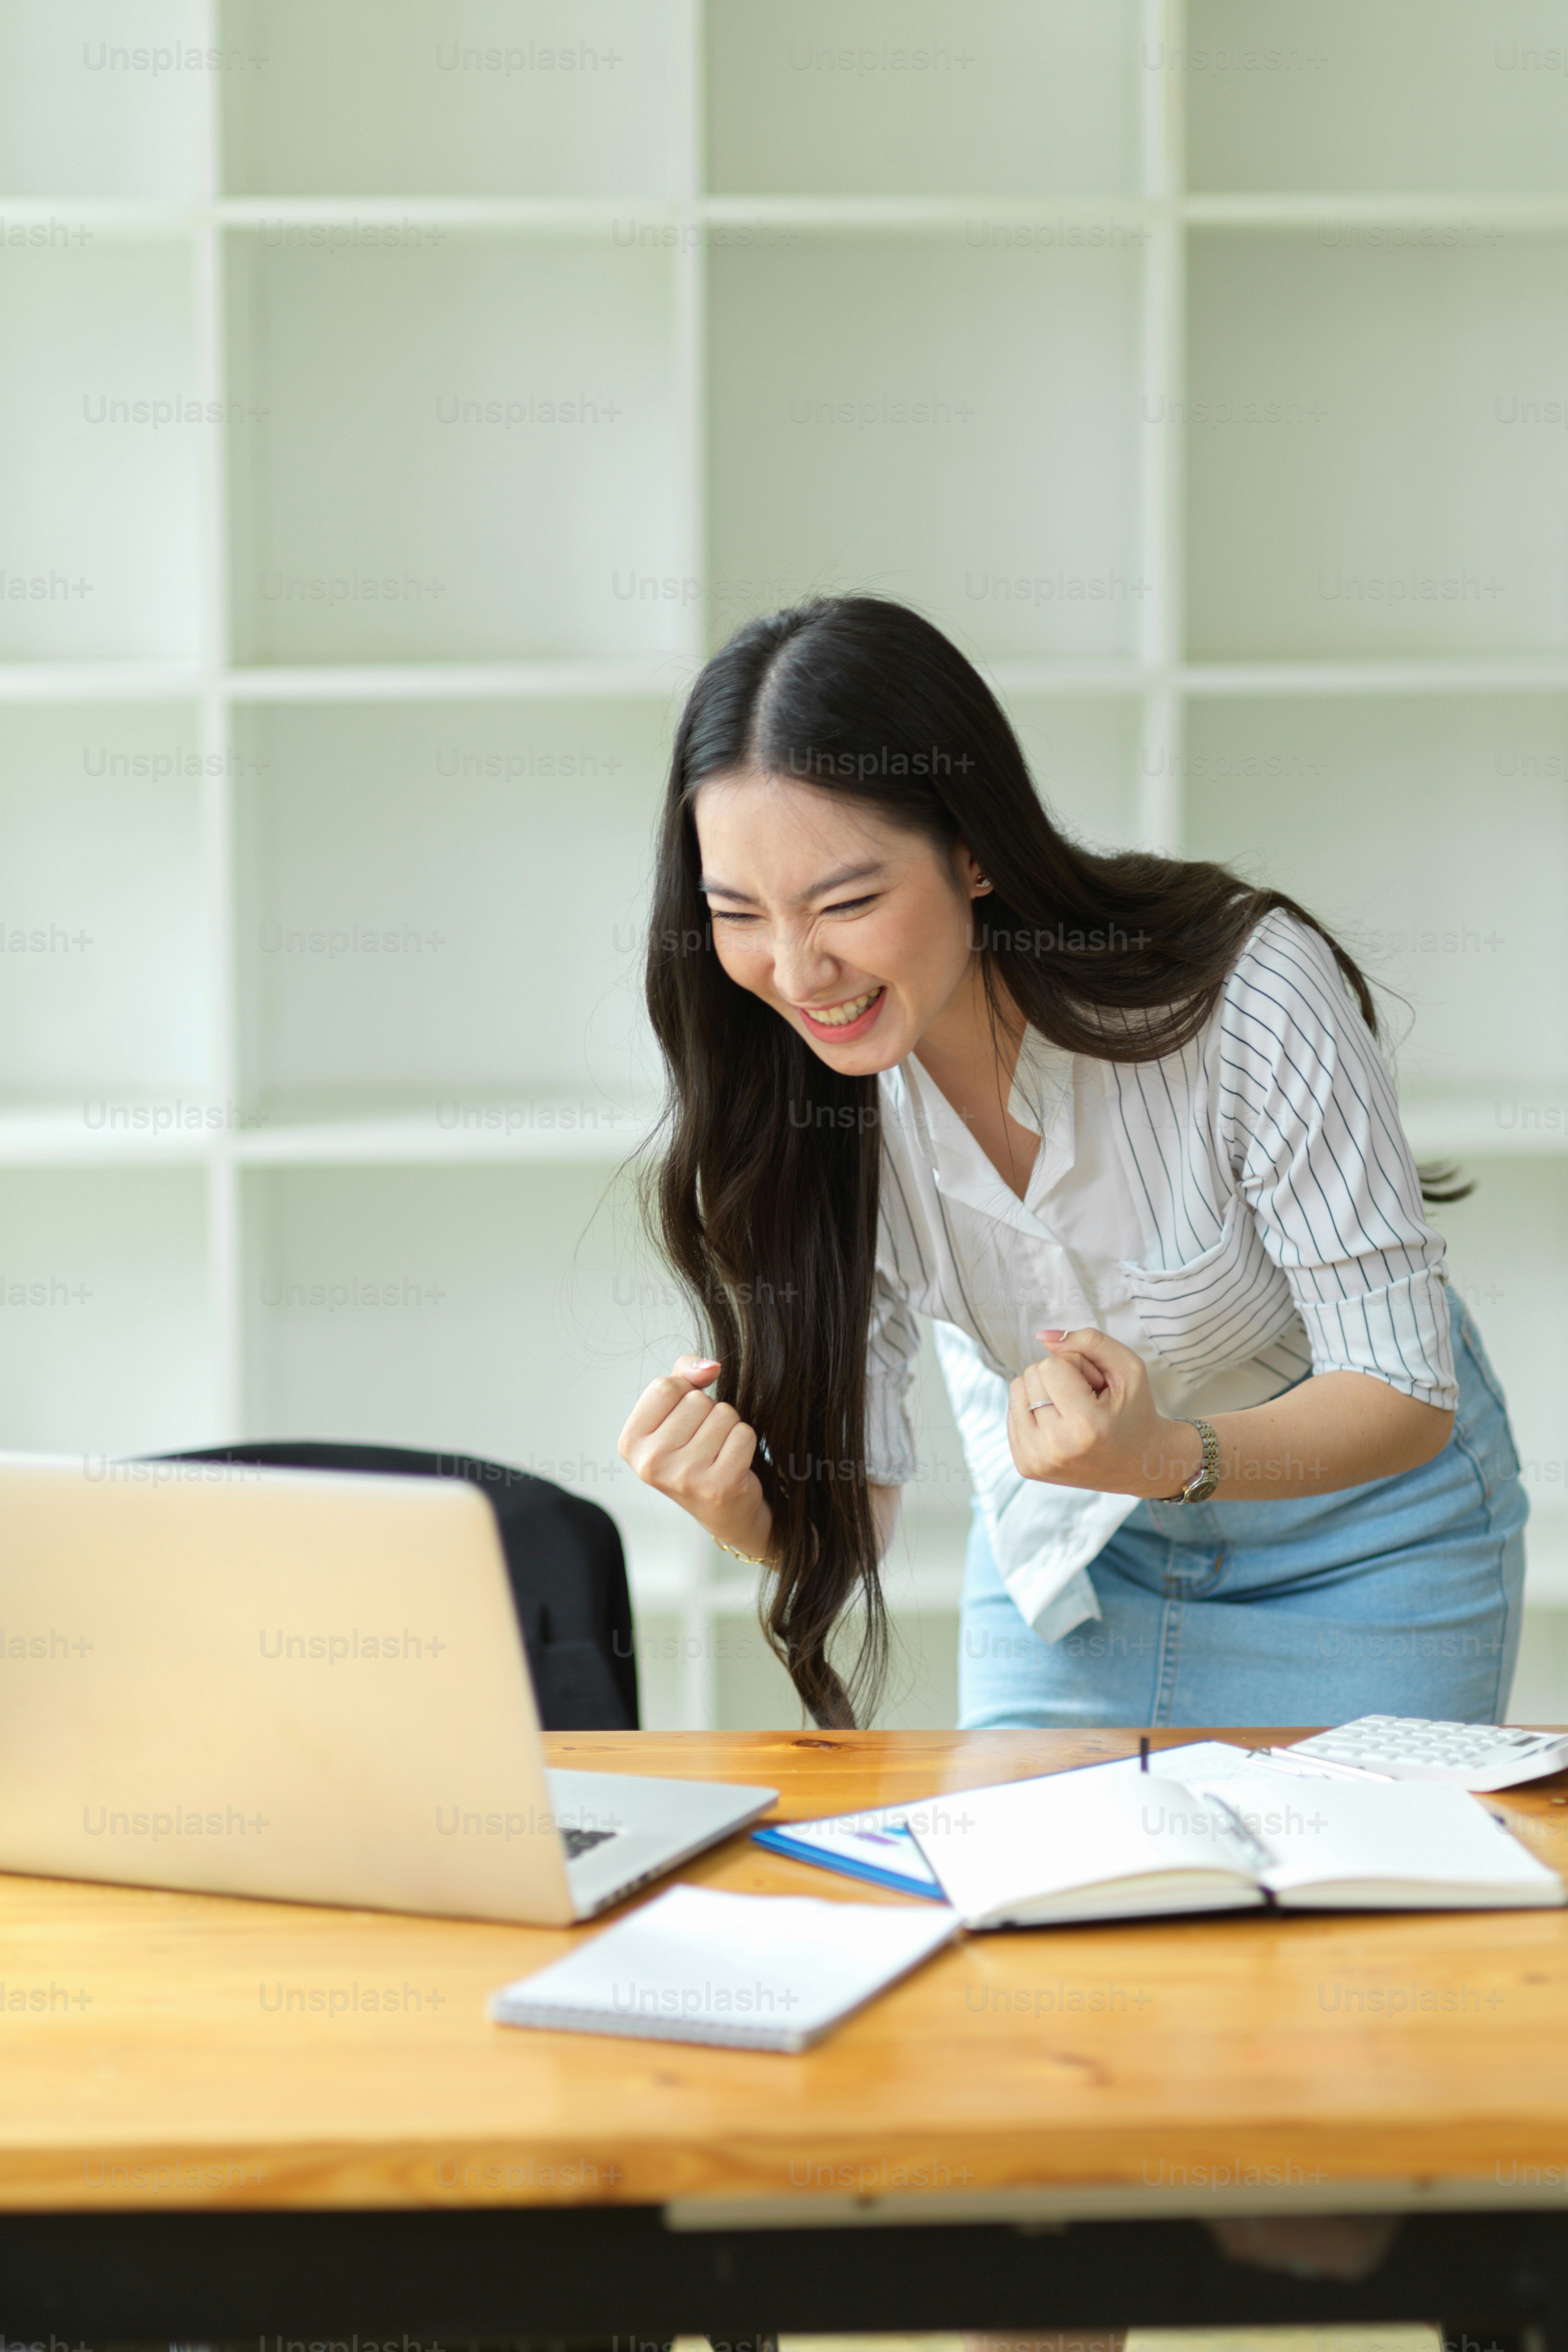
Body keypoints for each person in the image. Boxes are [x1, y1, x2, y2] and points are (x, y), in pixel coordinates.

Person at [617, 596, 1526, 1731]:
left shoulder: (1246, 997)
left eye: (846, 902)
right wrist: (742, 1510)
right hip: (1073, 1553)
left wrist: (1159, 1454)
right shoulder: (799, 1097)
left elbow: (1403, 1386)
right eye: (736, 913)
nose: (797, 972)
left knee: (1338, 1904)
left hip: (1364, 1543)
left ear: (976, 853)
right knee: (1031, 1902)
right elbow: (851, 1512)